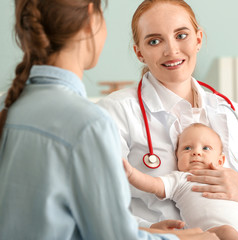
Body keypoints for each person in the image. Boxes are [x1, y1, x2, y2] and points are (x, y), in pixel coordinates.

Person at [0, 0, 219, 240]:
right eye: (154, 40)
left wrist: (145, 231)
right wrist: (192, 238)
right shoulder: (89, 124)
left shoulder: (11, 107)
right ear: (91, 18)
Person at [97, 0, 238, 235]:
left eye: (181, 35)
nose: (171, 50)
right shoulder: (117, 111)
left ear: (198, 39)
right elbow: (99, 203)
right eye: (154, 41)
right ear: (139, 52)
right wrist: (147, 230)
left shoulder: (229, 111)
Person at [123, 123, 238, 240]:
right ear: (177, 157)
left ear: (220, 160)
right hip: (210, 234)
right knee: (227, 231)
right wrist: (131, 174)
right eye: (187, 148)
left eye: (206, 148)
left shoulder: (228, 175)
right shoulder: (181, 179)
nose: (196, 153)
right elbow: (153, 184)